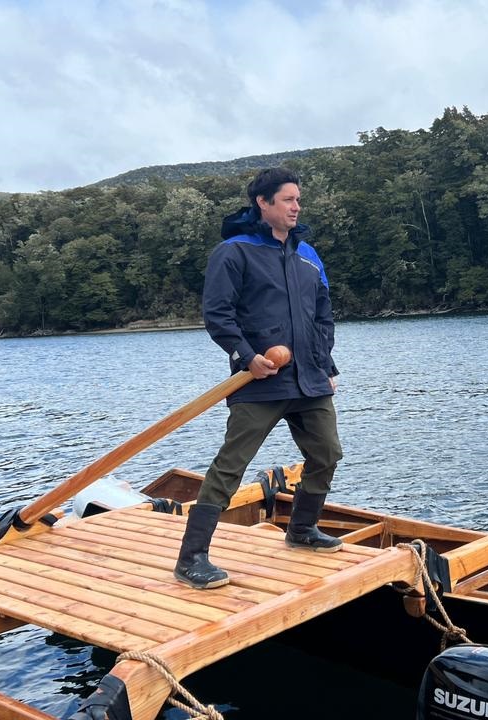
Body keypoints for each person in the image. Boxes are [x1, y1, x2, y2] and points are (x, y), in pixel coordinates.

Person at [174, 168, 343, 590]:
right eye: (287, 199)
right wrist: (246, 357)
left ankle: (302, 530)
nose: (296, 207)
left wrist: (327, 366)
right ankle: (191, 557)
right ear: (263, 203)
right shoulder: (233, 252)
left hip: (310, 380)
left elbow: (322, 315)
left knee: (327, 454)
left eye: (298, 199)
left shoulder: (309, 255)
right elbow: (218, 315)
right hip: (259, 382)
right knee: (231, 466)